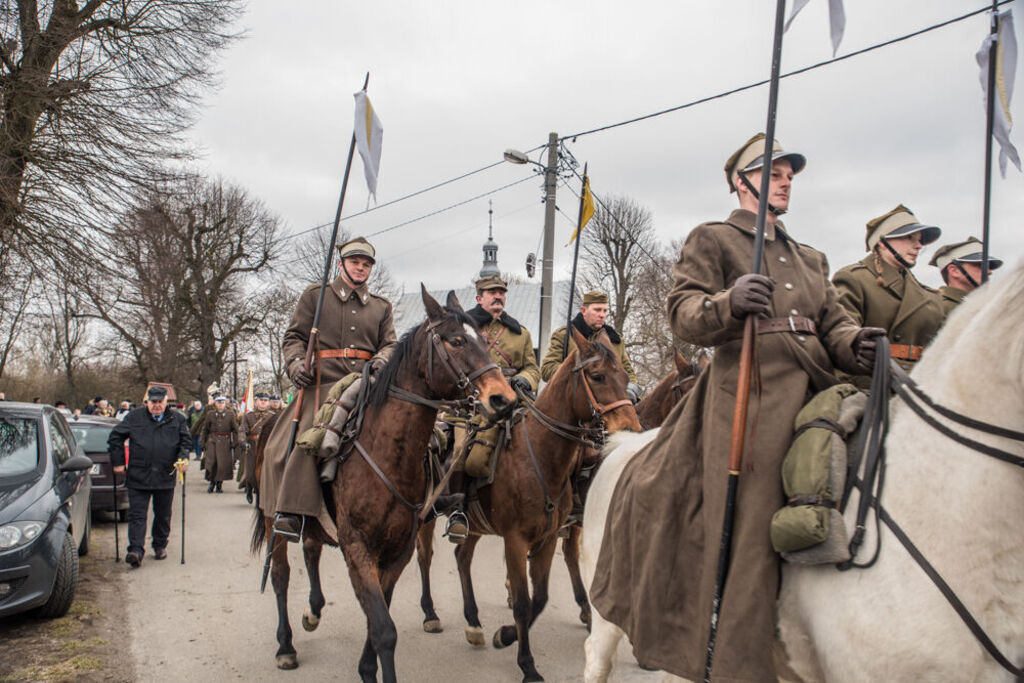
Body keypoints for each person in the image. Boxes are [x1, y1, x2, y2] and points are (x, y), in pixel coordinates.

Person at [589, 133, 883, 681]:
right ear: (740, 181)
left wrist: (856, 343)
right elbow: (682, 312)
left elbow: (834, 324)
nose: (786, 180)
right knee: (752, 522)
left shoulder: (811, 257)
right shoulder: (715, 239)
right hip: (749, 394)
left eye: (790, 173)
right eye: (773, 172)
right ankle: (738, 665)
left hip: (815, 382)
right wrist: (728, 302)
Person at [263, 236, 397, 539]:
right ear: (341, 264)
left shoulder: (381, 306)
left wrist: (381, 360)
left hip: (365, 385)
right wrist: (297, 365)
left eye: (366, 265)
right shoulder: (316, 296)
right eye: (355, 262)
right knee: (294, 444)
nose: (360, 268)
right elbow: (294, 337)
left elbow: (390, 344)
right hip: (322, 385)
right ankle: (291, 511)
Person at [444, 275, 542, 541]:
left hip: (513, 401)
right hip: (473, 404)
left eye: (501, 292)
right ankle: (458, 512)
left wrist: (525, 379)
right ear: (479, 298)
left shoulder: (520, 333)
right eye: (491, 293)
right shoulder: (467, 329)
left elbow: (533, 367)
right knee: (460, 452)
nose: (498, 296)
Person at [832, 205, 945, 383]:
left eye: (919, 240)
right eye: (909, 238)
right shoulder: (853, 279)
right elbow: (843, 340)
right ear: (883, 242)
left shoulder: (929, 296)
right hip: (868, 384)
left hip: (917, 385)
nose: (918, 246)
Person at [107, 385, 190, 567]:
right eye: (153, 402)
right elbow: (115, 437)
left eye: (160, 402)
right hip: (139, 475)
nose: (157, 406)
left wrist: (183, 458)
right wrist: (118, 462)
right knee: (137, 515)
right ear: (147, 402)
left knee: (162, 514)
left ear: (166, 402)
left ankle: (160, 545)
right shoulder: (135, 417)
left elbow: (185, 441)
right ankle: (135, 550)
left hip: (164, 474)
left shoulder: (177, 419)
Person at [541, 290, 641, 400]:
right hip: (571, 403)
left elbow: (628, 372)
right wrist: (581, 377)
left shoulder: (615, 341)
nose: (602, 315)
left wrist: (631, 389)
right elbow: (547, 369)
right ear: (583, 311)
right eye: (597, 310)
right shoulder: (565, 336)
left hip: (607, 403)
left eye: (604, 311)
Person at [929, 236, 1004, 314]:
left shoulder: (984, 306)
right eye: (980, 265)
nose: (989, 271)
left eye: (989, 266)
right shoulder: (940, 309)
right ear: (954, 271)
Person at [200, 395, 240, 493]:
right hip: (212, 440)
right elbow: (205, 429)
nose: (220, 405)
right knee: (212, 462)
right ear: (215, 404)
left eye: (222, 403)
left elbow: (236, 429)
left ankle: (219, 484)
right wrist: (203, 442)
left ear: (225, 404)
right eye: (218, 403)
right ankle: (211, 483)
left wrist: (234, 442)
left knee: (222, 464)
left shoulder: (230, 414)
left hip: (225, 442)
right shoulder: (210, 414)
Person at [238, 392, 273, 504]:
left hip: (267, 446)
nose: (263, 402)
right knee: (251, 473)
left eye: (265, 400)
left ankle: (260, 495)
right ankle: (249, 487)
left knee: (264, 472)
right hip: (252, 446)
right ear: (256, 401)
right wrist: (243, 442)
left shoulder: (272, 416)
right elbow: (242, 430)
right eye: (261, 400)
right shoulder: (248, 416)